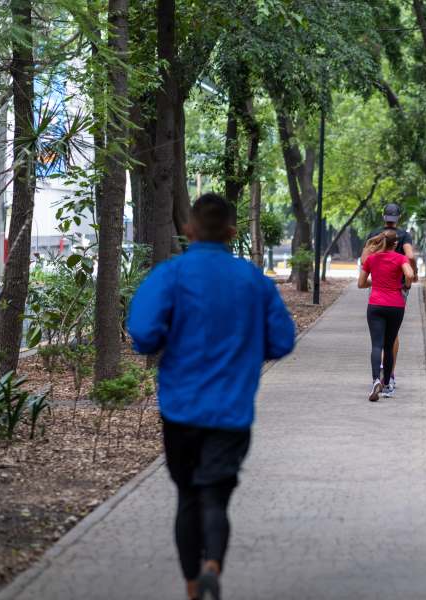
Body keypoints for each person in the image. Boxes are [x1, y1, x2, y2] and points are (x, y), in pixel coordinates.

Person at [127, 193, 296, 600]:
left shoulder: (171, 275)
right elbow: (283, 340)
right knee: (215, 496)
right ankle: (213, 566)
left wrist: (172, 337)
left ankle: (192, 588)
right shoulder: (254, 280)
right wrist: (248, 351)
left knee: (188, 497)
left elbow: (143, 334)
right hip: (231, 411)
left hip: (181, 410)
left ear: (188, 230)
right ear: (232, 232)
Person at [363, 203, 418, 394]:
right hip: (398, 289)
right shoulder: (403, 235)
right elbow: (410, 256)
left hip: (378, 290)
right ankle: (390, 376)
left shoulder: (375, 233)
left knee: (377, 339)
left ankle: (377, 378)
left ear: (383, 216)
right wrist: (412, 276)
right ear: (399, 217)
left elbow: (364, 261)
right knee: (392, 337)